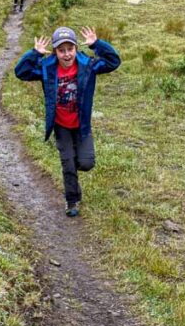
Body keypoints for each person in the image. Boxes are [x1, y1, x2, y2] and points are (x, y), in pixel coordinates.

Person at [14, 26, 121, 217]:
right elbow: (21, 72)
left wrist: (97, 45)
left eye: (69, 49)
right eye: (61, 50)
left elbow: (113, 61)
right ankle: (72, 201)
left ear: (75, 49)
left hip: (82, 125)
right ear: (55, 51)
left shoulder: (88, 65)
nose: (66, 54)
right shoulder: (47, 69)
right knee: (68, 164)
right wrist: (34, 54)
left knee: (86, 163)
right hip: (61, 125)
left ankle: (75, 161)